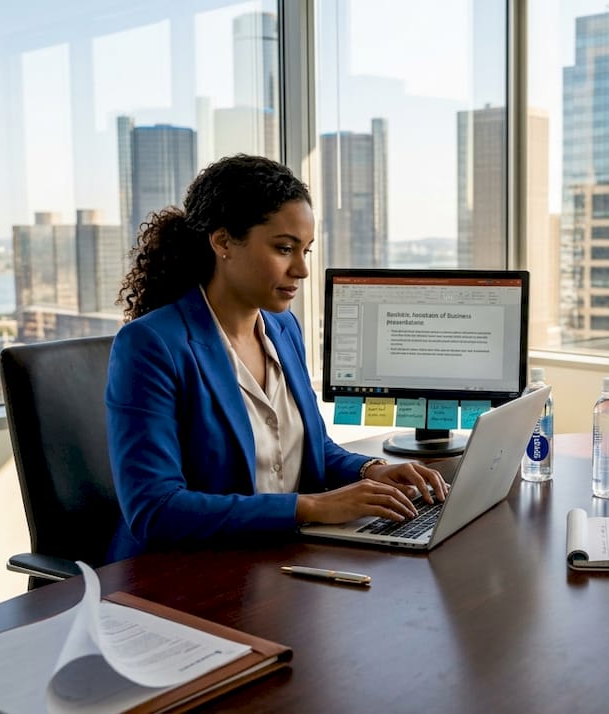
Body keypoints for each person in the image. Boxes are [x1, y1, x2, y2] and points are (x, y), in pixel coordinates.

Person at [106, 154, 447, 561]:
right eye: (285, 249)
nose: (302, 270)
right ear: (223, 242)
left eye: (306, 250)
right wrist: (312, 507)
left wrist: (370, 471)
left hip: (278, 558)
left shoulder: (283, 330)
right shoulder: (150, 345)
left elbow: (313, 447)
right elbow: (156, 511)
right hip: (185, 575)